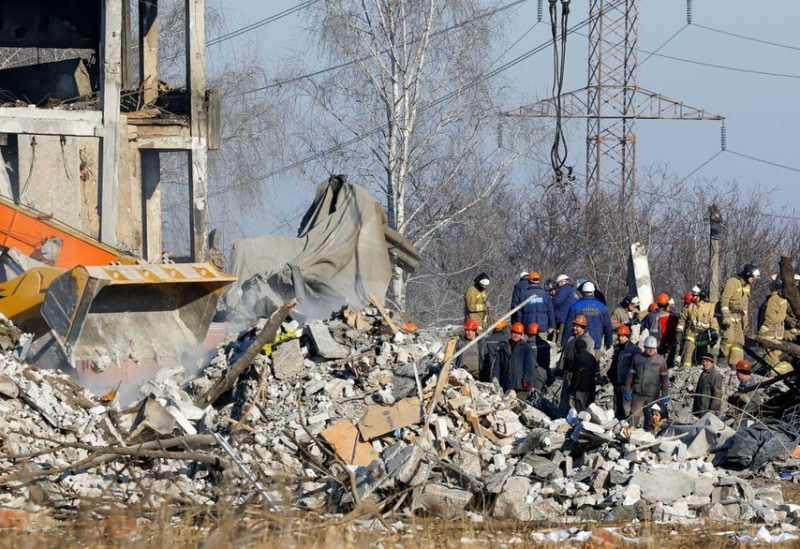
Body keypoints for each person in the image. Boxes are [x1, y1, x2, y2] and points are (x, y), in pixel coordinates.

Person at [720, 264, 759, 368]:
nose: (755, 279)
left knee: (739, 342)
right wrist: (726, 316)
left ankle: (735, 365)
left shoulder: (747, 287)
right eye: (753, 277)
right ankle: (721, 362)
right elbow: (724, 300)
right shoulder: (733, 282)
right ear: (748, 274)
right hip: (728, 315)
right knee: (729, 339)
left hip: (737, 317)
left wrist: (745, 320)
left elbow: (744, 305)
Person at [626, 336, 669, 429]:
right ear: (645, 347)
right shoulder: (637, 358)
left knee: (651, 417)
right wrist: (628, 390)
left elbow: (665, 379)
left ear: (656, 348)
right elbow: (630, 376)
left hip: (653, 395)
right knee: (633, 416)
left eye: (653, 348)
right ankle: (629, 435)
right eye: (648, 348)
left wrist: (665, 394)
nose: (650, 350)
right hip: (638, 395)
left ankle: (649, 436)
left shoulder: (661, 360)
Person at [562, 282, 613, 356]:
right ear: (593, 292)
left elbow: (568, 327)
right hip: (596, 344)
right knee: (593, 365)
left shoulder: (574, 306)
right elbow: (608, 327)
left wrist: (565, 343)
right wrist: (609, 343)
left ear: (582, 292)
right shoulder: (602, 307)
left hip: (577, 345)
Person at [558, 314, 595, 415]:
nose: (575, 328)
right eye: (574, 325)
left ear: (583, 327)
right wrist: (561, 368)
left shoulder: (589, 341)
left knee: (576, 400)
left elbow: (589, 360)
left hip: (579, 375)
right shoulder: (570, 339)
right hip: (568, 373)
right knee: (564, 398)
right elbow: (564, 354)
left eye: (577, 326)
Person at [678, 287, 719, 368]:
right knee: (687, 353)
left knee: (702, 356)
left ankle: (700, 371)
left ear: (701, 296)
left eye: (695, 295)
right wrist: (679, 332)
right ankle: (685, 371)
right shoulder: (690, 306)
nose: (692, 297)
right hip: (691, 333)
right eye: (693, 295)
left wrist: (714, 335)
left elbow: (713, 322)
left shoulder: (710, 307)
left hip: (703, 335)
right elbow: (682, 320)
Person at [758, 276, 792, 375]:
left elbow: (769, 316)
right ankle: (783, 374)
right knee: (776, 354)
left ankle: (775, 375)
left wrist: (763, 329)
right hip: (778, 332)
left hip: (770, 332)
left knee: (770, 357)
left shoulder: (774, 299)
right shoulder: (784, 299)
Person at [607, 324, 642, 420]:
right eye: (619, 336)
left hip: (628, 386)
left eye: (623, 336)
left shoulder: (634, 350)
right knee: (617, 408)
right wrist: (610, 375)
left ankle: (629, 427)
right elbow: (615, 364)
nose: (621, 338)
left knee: (627, 409)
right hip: (618, 384)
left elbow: (638, 369)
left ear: (628, 336)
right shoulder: (618, 348)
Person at [492, 322, 536, 397]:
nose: (516, 335)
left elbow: (529, 367)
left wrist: (526, 380)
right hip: (506, 384)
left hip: (520, 386)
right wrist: (495, 378)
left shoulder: (526, 348)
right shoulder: (503, 347)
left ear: (521, 335)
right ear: (511, 333)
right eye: (514, 333)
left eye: (518, 333)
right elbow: (497, 366)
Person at [641, 292, 678, 366]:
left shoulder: (656, 317)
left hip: (661, 344)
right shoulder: (675, 316)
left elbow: (653, 333)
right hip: (673, 343)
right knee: (670, 364)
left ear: (658, 304)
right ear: (668, 304)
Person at [569, 338, 597, 413]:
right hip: (591, 388)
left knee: (580, 412)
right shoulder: (592, 357)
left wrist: (572, 391)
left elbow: (576, 376)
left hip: (580, 389)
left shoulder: (578, 358)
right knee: (588, 412)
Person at [553, 274, 579, 344]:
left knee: (561, 341)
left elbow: (556, 301)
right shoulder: (572, 290)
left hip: (564, 318)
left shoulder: (564, 288)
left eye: (558, 284)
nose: (558, 286)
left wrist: (550, 303)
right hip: (572, 318)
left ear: (561, 282)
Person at [526, 323, 551, 391]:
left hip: (534, 373)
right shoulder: (545, 344)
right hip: (546, 370)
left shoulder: (527, 346)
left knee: (535, 394)